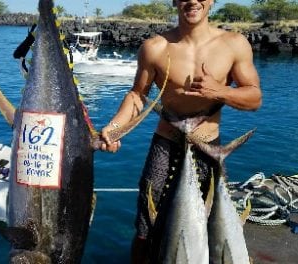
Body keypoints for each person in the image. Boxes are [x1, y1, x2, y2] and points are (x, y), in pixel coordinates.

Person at [100, 0, 262, 262]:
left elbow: (254, 98)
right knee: (145, 229)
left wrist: (219, 91)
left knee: (211, 230)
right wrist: (114, 128)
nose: (192, 1)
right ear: (175, 1)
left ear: (211, 1)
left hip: (209, 148)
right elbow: (137, 96)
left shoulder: (234, 44)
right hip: (164, 147)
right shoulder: (155, 48)